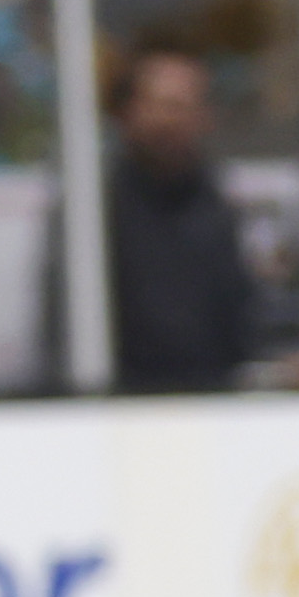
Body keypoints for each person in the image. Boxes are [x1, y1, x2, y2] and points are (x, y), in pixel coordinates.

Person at [104, 47, 266, 391]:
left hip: (219, 404)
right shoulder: (96, 211)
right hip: (124, 406)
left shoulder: (220, 206)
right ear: (127, 112)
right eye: (163, 106)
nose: (172, 121)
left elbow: (242, 317)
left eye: (186, 108)